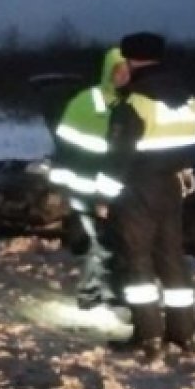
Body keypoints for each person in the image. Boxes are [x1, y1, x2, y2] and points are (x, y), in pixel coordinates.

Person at [103, 32, 195, 362]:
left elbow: (118, 155)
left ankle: (147, 337)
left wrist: (103, 197)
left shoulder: (134, 102)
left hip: (138, 187)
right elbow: (190, 147)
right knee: (172, 259)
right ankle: (183, 335)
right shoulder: (188, 98)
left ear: (129, 60)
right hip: (173, 184)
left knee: (137, 260)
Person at [47, 47, 128, 309]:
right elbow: (64, 147)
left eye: (129, 70)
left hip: (116, 188)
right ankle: (102, 296)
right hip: (86, 186)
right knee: (102, 242)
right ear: (109, 71)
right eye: (119, 69)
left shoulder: (133, 104)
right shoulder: (86, 102)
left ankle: (93, 293)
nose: (124, 76)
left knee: (108, 242)